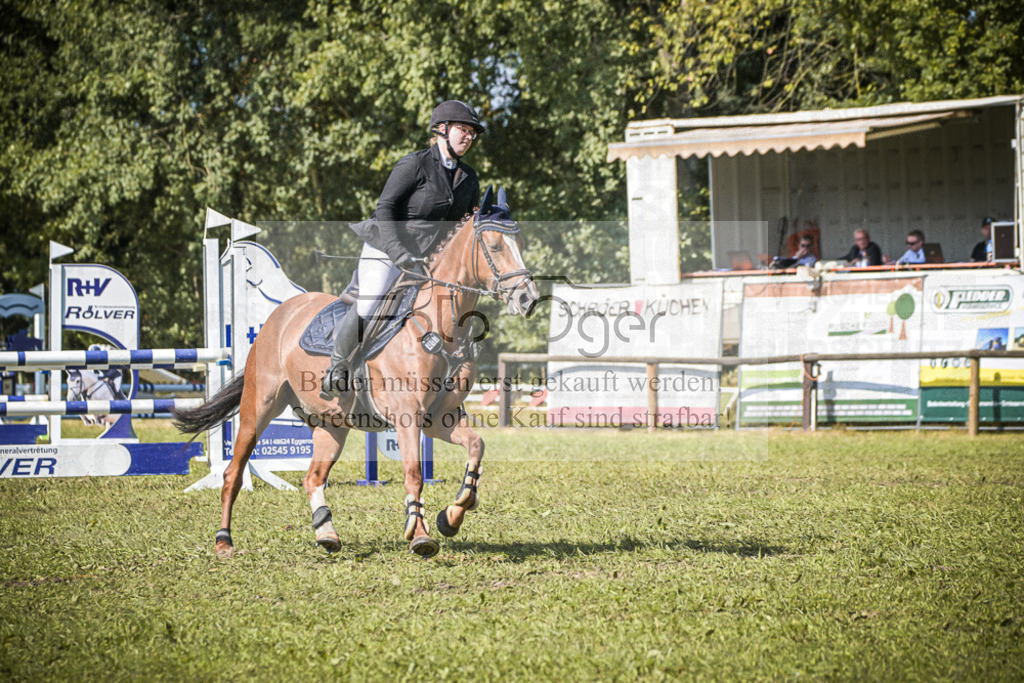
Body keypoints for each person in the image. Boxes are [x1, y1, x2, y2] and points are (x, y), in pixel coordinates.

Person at [320, 100, 484, 398]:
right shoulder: (415, 164)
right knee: (370, 304)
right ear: (442, 129)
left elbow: (464, 227)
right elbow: (385, 209)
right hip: (386, 248)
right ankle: (337, 368)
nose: (469, 136)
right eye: (463, 129)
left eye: (472, 132)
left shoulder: (468, 178)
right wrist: (397, 253)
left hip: (427, 262)